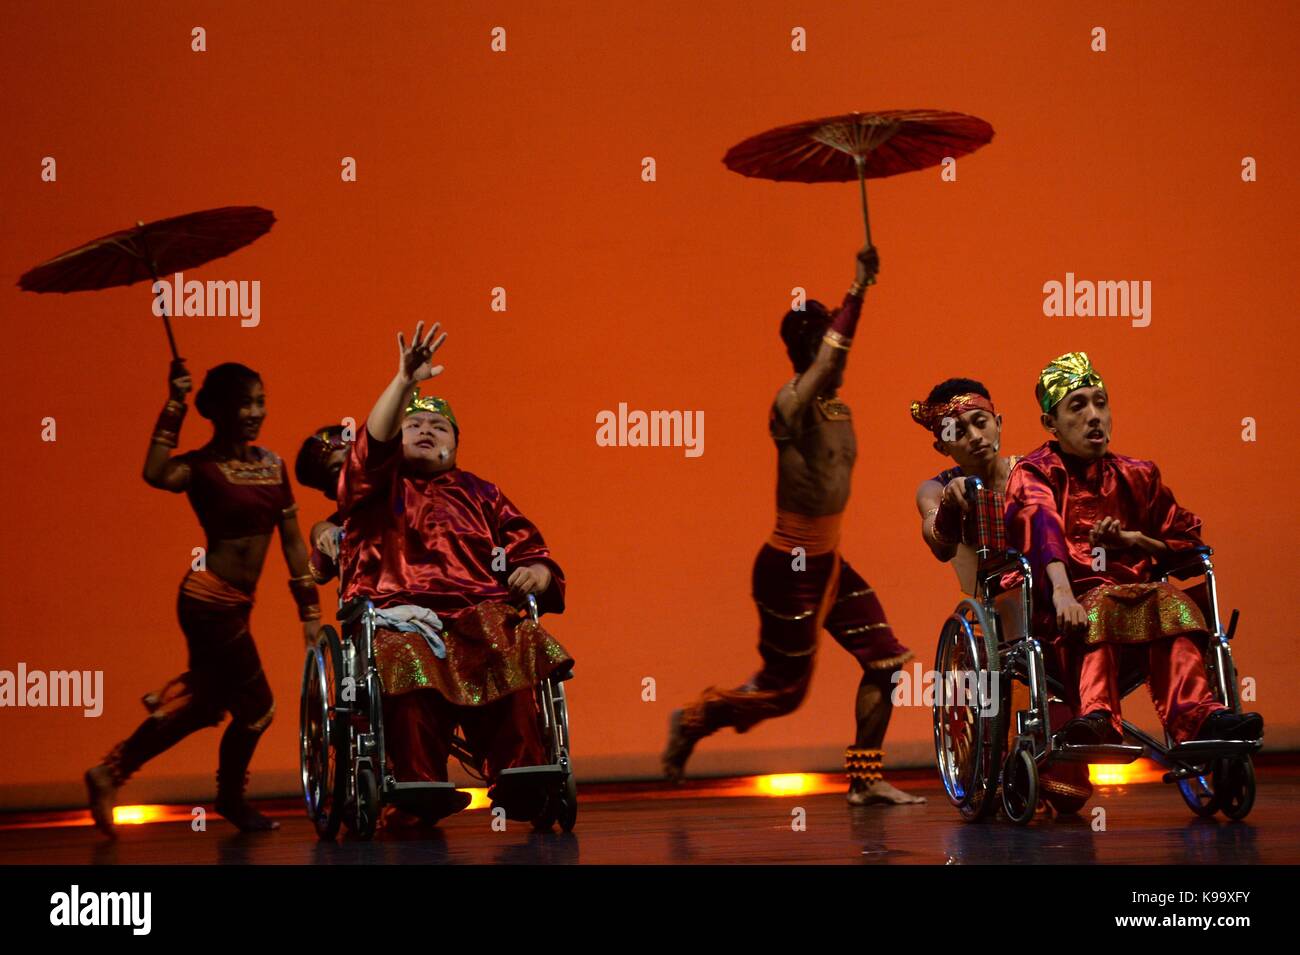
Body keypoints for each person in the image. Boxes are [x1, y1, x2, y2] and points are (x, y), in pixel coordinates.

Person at [663, 245, 922, 806]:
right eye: (828, 343)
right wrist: (859, 288)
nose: (842, 358)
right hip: (789, 567)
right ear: (810, 349)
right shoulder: (790, 405)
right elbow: (829, 362)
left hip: (830, 562)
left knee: (885, 659)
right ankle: (695, 718)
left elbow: (834, 366)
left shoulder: (836, 406)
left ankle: (864, 780)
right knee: (784, 694)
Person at [338, 322, 573, 826]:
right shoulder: (374, 490)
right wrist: (403, 382)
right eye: (413, 424)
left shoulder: (482, 492)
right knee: (405, 659)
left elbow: (528, 544)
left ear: (456, 444)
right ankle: (417, 785)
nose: (426, 430)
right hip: (400, 615)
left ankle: (523, 776)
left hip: (479, 610)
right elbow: (368, 450)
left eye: (439, 427)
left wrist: (535, 569)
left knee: (514, 644)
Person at [85, 360, 321, 837]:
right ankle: (231, 800)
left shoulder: (272, 466)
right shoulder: (202, 467)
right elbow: (155, 471)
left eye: (260, 401)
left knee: (205, 706)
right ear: (217, 410)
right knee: (258, 706)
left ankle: (110, 773)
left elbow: (293, 542)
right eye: (245, 403)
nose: (256, 411)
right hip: (208, 602)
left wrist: (309, 612)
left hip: (236, 605)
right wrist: (174, 401)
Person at [1005, 351, 1264, 748]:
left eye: (1101, 403)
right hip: (1061, 616)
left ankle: (1199, 717)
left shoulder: (1138, 475)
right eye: (1078, 406)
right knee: (1100, 607)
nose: (1095, 416)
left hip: (1138, 609)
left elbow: (1188, 537)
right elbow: (1041, 529)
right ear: (1050, 424)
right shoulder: (1036, 472)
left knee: (1172, 603)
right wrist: (1062, 592)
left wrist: (1136, 541)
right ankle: (1097, 716)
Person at [911, 378, 1092, 813]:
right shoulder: (936, 489)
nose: (975, 437)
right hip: (1001, 605)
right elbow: (938, 545)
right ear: (942, 447)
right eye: (959, 432)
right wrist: (953, 508)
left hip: (1057, 588)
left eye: (981, 423)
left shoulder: (1031, 473)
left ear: (999, 423)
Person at [294, 424, 348, 584]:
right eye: (337, 470)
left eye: (354, 459)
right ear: (331, 493)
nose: (352, 470)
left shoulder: (411, 497)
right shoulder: (331, 527)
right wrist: (330, 537)